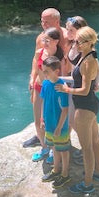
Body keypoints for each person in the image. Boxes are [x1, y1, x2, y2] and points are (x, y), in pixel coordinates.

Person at [55, 26, 99, 194]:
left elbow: (83, 89)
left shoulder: (89, 61)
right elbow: (77, 80)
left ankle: (87, 184)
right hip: (90, 104)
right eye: (75, 40)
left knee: (87, 147)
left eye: (78, 41)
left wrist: (66, 90)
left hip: (84, 106)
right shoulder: (86, 56)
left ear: (89, 43)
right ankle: (98, 172)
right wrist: (60, 78)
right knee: (95, 140)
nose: (75, 43)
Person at [23, 8, 67, 148]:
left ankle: (60, 144)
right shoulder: (41, 37)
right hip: (40, 84)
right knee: (39, 116)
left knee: (56, 117)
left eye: (47, 22)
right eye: (42, 21)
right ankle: (42, 141)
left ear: (57, 21)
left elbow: (69, 62)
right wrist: (32, 77)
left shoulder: (66, 37)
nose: (44, 24)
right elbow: (36, 60)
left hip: (57, 85)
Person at [31, 28, 64, 162]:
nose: (44, 42)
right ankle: (44, 147)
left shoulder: (60, 57)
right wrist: (32, 80)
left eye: (47, 40)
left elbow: (63, 76)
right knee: (38, 120)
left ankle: (53, 150)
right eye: (43, 39)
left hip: (52, 91)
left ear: (56, 41)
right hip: (39, 88)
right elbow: (35, 66)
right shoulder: (39, 52)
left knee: (51, 121)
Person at [39, 56, 71, 188]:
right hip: (49, 124)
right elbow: (43, 102)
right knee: (54, 147)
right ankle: (56, 170)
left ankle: (65, 174)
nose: (44, 73)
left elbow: (65, 110)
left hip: (59, 126)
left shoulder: (61, 87)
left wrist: (59, 127)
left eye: (47, 71)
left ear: (56, 71)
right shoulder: (46, 84)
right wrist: (42, 118)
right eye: (43, 71)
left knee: (63, 150)